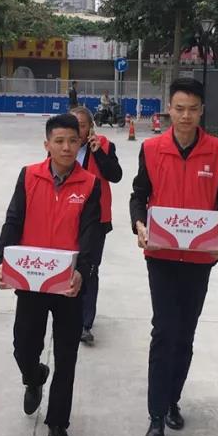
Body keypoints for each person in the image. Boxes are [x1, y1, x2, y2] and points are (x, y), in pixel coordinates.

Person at [129, 78, 218, 436]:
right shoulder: (152, 148)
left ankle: (173, 398)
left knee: (185, 333)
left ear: (202, 111)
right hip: (160, 255)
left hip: (198, 258)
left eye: (192, 109)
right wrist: (140, 224)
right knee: (164, 331)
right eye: (179, 108)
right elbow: (139, 195)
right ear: (169, 109)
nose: (185, 116)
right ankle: (156, 416)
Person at [0, 114, 102, 436]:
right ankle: (34, 376)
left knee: (67, 357)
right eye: (59, 141)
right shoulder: (29, 176)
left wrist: (82, 272)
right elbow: (13, 221)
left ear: (80, 143)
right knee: (23, 346)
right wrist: (0, 261)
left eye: (72, 140)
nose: (66, 147)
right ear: (47, 145)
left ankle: (58, 425)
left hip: (68, 284)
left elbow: (91, 234)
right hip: (32, 280)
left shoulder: (90, 184)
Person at [70, 106, 122, 345]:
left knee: (90, 270)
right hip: (67, 216)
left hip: (96, 220)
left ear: (90, 127)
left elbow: (115, 175)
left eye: (81, 126)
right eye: (73, 125)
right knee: (69, 266)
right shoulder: (62, 146)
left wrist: (98, 151)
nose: (77, 131)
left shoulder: (105, 146)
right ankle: (68, 314)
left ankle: (85, 324)